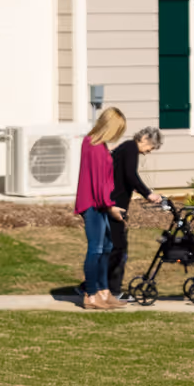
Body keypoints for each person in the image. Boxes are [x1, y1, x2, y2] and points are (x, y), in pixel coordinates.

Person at [73, 107, 128, 310]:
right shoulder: (94, 145)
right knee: (95, 249)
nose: (117, 135)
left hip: (100, 204)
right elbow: (97, 182)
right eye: (117, 130)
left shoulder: (98, 144)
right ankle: (91, 294)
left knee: (106, 247)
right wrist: (110, 207)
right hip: (93, 204)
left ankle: (104, 292)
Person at [106, 126, 162, 298]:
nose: (148, 152)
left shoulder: (125, 148)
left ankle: (93, 286)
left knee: (110, 247)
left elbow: (127, 176)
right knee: (118, 248)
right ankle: (113, 291)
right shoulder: (130, 147)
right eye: (150, 148)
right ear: (144, 138)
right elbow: (131, 175)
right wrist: (148, 193)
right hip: (115, 206)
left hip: (115, 203)